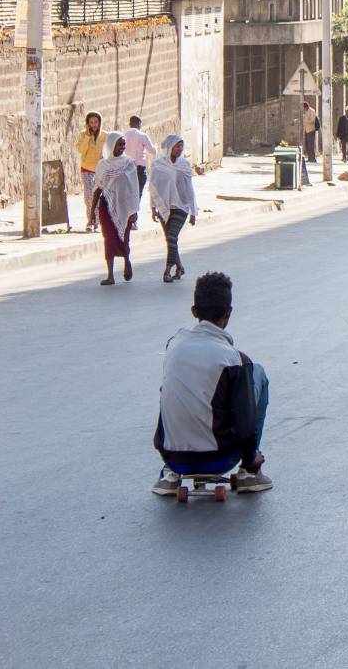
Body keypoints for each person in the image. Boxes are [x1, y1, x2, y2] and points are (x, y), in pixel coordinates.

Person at [152, 270, 272, 495]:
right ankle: (249, 471)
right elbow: (245, 426)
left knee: (177, 380)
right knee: (258, 373)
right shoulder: (235, 359)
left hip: (174, 456)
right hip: (220, 458)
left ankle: (169, 473)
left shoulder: (173, 346)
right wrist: (251, 456)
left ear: (194, 311)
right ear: (228, 313)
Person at [89, 132, 139, 286]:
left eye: (123, 144)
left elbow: (133, 189)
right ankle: (110, 275)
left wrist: (134, 211)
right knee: (109, 238)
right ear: (111, 145)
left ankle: (126, 261)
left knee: (124, 237)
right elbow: (98, 188)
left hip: (125, 206)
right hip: (106, 206)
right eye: (119, 144)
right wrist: (92, 212)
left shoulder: (129, 163)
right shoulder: (103, 165)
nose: (122, 147)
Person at [149, 134, 198, 284]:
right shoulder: (158, 165)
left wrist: (193, 211)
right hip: (165, 207)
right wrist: (153, 207)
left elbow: (190, 188)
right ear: (170, 147)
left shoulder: (184, 165)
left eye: (181, 146)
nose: (180, 149)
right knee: (171, 240)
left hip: (181, 206)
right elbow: (153, 187)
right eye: (177, 146)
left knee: (171, 237)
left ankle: (167, 271)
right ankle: (180, 267)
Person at [77, 110, 105, 231]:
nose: (93, 124)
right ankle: (90, 220)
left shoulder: (105, 135)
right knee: (89, 195)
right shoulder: (83, 135)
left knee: (97, 197)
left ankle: (96, 221)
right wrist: (88, 137)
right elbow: (81, 150)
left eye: (96, 122)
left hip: (100, 170)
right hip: (86, 169)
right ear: (87, 123)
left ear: (99, 123)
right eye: (91, 122)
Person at [123, 115, 157, 206]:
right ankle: (134, 212)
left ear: (130, 124)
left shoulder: (124, 135)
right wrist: (156, 146)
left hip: (126, 167)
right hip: (139, 167)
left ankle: (128, 213)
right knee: (138, 192)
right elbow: (152, 151)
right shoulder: (142, 135)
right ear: (139, 124)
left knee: (128, 192)